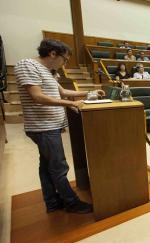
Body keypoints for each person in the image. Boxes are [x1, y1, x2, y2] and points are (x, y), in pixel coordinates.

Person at [14, 39, 105, 214]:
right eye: (65, 59)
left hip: (50, 126)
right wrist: (70, 104)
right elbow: (37, 97)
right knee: (59, 166)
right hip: (43, 126)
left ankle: (52, 202)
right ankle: (71, 202)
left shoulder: (49, 71)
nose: (65, 63)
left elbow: (62, 92)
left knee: (47, 166)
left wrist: (89, 93)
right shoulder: (27, 65)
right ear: (53, 53)